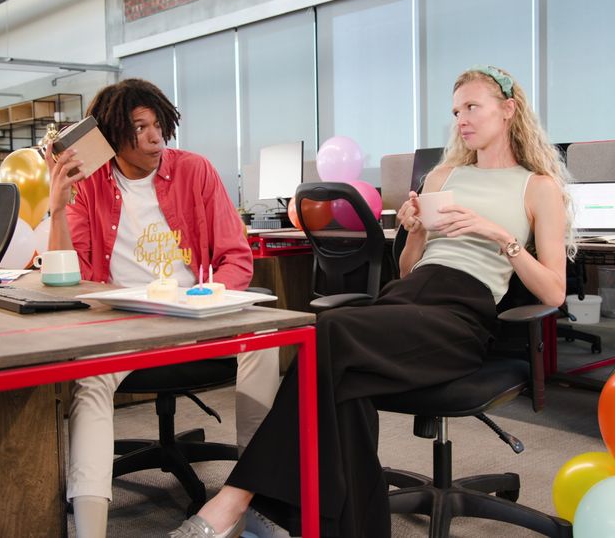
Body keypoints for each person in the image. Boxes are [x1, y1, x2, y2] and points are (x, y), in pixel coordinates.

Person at [171, 66, 575, 538]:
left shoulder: (537, 187)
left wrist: (500, 236)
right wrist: (417, 232)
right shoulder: (444, 176)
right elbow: (407, 268)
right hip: (407, 296)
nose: (461, 120)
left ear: (507, 111)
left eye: (472, 108)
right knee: (341, 378)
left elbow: (553, 290)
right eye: (456, 111)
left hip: (462, 314)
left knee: (328, 332)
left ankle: (236, 499)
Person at [47, 78, 281, 538]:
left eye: (159, 125)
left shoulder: (194, 170)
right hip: (122, 326)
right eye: (139, 128)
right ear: (112, 135)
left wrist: (208, 299)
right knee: (89, 378)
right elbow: (67, 279)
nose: (156, 138)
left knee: (265, 341)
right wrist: (57, 209)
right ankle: (89, 530)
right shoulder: (91, 185)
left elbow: (236, 258)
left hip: (196, 316)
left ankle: (251, 497)